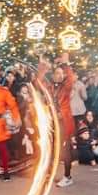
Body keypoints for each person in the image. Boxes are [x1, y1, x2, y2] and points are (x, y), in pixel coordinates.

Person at [38, 54, 76, 187]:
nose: (60, 75)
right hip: (52, 122)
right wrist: (42, 67)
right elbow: (39, 81)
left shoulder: (66, 87)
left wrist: (66, 64)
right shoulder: (50, 87)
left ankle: (67, 176)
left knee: (65, 151)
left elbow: (70, 78)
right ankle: (49, 173)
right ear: (53, 75)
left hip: (64, 123)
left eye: (62, 73)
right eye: (57, 73)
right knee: (51, 149)